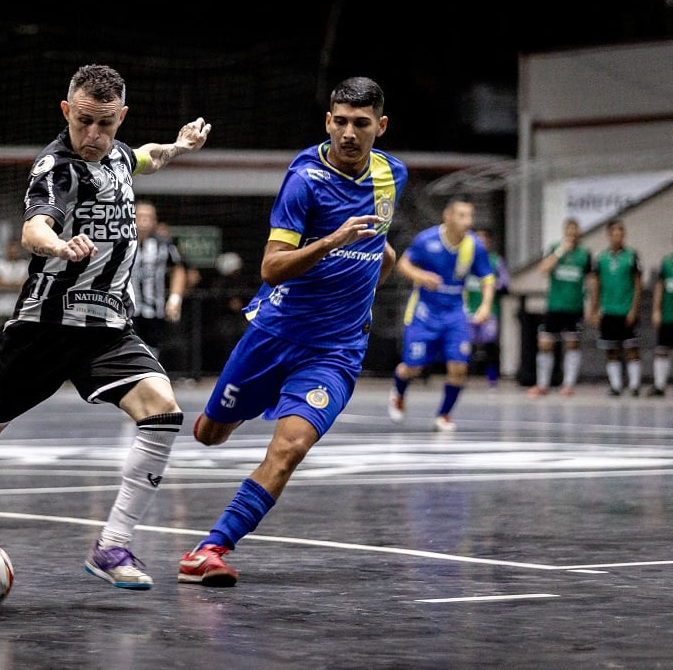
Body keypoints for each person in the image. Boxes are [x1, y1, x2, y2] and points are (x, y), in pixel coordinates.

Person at [0, 64, 211, 591]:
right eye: (84, 121)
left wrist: (178, 146)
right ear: (67, 111)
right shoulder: (57, 169)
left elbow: (145, 158)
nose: (94, 136)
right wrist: (59, 244)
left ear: (121, 118)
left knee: (163, 410)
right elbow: (34, 225)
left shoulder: (116, 154)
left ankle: (111, 547)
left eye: (106, 125)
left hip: (108, 328)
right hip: (42, 331)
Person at [176, 76, 404, 587]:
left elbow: (381, 249)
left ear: (380, 127)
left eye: (361, 124)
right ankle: (255, 398)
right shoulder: (304, 179)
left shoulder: (393, 176)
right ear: (328, 121)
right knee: (210, 435)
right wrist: (333, 240)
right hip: (274, 335)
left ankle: (209, 549)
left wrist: (363, 298)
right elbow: (272, 268)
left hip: (337, 351)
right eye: (339, 121)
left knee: (290, 449)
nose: (348, 133)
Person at [388, 197, 495, 433]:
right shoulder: (427, 240)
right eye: (462, 216)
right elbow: (403, 264)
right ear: (448, 216)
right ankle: (399, 391)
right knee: (412, 367)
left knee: (458, 367)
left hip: (455, 311)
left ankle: (444, 415)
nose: (467, 222)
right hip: (424, 312)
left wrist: (486, 305)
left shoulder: (474, 245)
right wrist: (421, 276)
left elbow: (487, 277)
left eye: (470, 216)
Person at [526, 217, 594, 398]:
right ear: (564, 232)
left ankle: (568, 385)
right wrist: (560, 252)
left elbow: (592, 281)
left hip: (575, 306)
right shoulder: (555, 248)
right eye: (569, 230)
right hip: (555, 305)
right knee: (545, 343)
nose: (572, 234)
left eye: (575, 230)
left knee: (572, 344)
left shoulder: (584, 254)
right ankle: (542, 385)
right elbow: (543, 269)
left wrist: (592, 307)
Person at [588, 219, 643, 396]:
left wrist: (634, 309)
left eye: (621, 233)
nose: (618, 237)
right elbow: (596, 285)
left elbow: (637, 284)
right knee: (611, 349)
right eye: (614, 233)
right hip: (608, 310)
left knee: (631, 348)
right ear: (609, 235)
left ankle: (634, 385)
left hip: (626, 309)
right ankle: (616, 385)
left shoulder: (632, 256)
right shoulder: (601, 258)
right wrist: (594, 309)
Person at [129, 199, 187, 363]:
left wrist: (175, 298)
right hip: (126, 308)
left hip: (154, 308)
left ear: (155, 220)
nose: (144, 221)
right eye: (140, 216)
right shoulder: (121, 241)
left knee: (152, 348)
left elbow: (178, 269)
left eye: (149, 217)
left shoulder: (164, 245)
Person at [464, 227, 509, 389]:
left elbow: (505, 283)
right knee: (464, 345)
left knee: (490, 345)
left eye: (484, 240)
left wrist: (492, 284)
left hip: (489, 310)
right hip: (467, 309)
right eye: (478, 240)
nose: (481, 243)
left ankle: (492, 380)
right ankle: (462, 378)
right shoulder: (465, 259)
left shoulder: (495, 260)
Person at [648, 232, 673, 396]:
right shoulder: (667, 263)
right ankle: (659, 385)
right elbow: (659, 288)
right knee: (662, 350)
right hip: (668, 314)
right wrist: (656, 310)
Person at [0, 239, 29, 328]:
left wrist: (7, 284)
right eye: (10, 250)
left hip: (17, 306)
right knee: (0, 333)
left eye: (15, 250)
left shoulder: (24, 265)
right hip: (0, 306)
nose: (13, 252)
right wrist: (15, 284)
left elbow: (23, 286)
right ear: (6, 250)